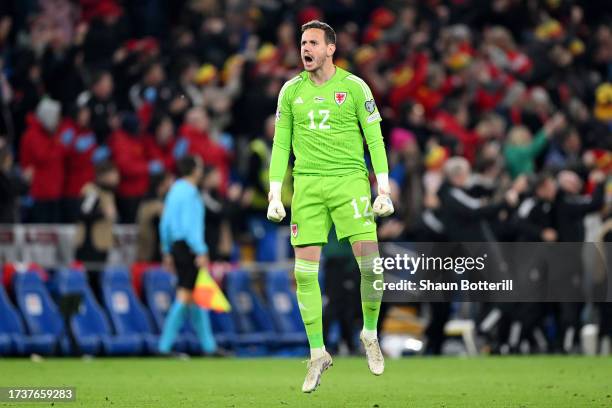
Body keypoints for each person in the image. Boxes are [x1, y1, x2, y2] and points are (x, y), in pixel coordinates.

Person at [266, 20, 394, 392]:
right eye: (302, 43)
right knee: (305, 275)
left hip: (349, 181)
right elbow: (280, 146)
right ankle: (318, 353)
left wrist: (382, 189)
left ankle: (369, 334)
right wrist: (276, 194)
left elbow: (375, 139)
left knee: (371, 267)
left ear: (330, 49)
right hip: (307, 186)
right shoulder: (290, 92)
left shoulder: (354, 87)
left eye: (312, 43)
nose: (305, 49)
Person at [158, 155, 216, 355]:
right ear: (194, 170)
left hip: (176, 246)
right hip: (189, 247)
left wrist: (166, 249)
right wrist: (201, 250)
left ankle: (209, 346)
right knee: (185, 295)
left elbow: (164, 222)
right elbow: (191, 227)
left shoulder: (174, 190)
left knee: (195, 295)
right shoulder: (191, 193)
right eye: (199, 167)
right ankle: (163, 347)